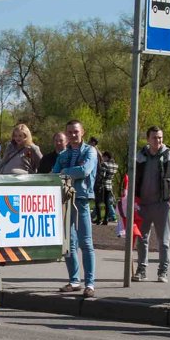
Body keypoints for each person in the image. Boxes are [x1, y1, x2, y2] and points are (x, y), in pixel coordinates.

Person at [54, 119, 98, 297]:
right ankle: (74, 280)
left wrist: (64, 173)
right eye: (70, 132)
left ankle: (90, 284)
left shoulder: (90, 151)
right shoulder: (63, 155)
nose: (73, 135)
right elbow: (53, 172)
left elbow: (84, 171)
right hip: (65, 199)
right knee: (68, 243)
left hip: (81, 200)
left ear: (83, 132)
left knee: (85, 243)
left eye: (76, 132)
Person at [132, 126, 170, 283]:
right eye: (154, 137)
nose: (158, 140)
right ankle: (141, 270)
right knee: (142, 239)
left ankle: (163, 271)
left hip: (161, 204)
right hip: (143, 205)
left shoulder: (168, 154)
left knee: (164, 241)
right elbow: (132, 175)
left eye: (160, 137)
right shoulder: (141, 155)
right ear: (148, 139)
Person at [94, 150, 119, 225]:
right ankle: (106, 219)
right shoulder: (115, 165)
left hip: (102, 185)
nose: (103, 158)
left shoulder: (105, 164)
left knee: (97, 202)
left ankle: (99, 219)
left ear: (106, 157)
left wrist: (98, 182)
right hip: (109, 185)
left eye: (103, 157)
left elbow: (102, 175)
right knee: (107, 202)